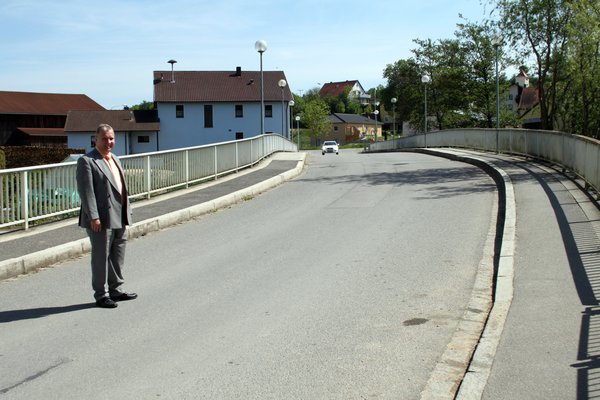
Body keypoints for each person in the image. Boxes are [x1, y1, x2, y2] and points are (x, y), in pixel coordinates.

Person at [76, 124, 137, 308]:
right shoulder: (87, 161)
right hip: (100, 218)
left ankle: (116, 290)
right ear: (96, 139)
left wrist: (128, 209)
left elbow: (121, 188)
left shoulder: (115, 158)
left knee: (118, 254)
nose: (108, 142)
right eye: (104, 138)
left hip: (120, 214)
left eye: (111, 138)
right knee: (101, 256)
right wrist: (93, 216)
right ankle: (101, 294)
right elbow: (87, 192)